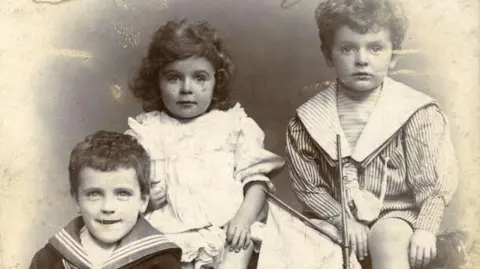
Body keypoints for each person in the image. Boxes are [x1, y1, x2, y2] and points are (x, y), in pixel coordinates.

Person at [286, 1, 458, 268]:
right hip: (334, 216)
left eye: (375, 48)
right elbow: (310, 187)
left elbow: (432, 183)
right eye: (347, 48)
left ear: (393, 57)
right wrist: (342, 220)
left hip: (396, 215)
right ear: (328, 55)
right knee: (313, 240)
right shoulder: (307, 120)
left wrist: (425, 228)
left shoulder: (415, 111)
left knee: (388, 235)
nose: (362, 59)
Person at [125, 19, 284, 269]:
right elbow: (123, 190)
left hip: (230, 230)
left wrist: (242, 220)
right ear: (156, 81)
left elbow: (257, 182)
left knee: (236, 255)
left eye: (199, 78)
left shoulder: (233, 125)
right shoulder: (146, 132)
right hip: (169, 232)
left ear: (216, 81)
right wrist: (145, 201)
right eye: (174, 78)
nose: (187, 89)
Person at [29, 131, 182, 269]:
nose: (108, 207)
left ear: (143, 200)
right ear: (76, 200)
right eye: (94, 194)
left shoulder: (162, 262)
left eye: (122, 193)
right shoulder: (49, 260)